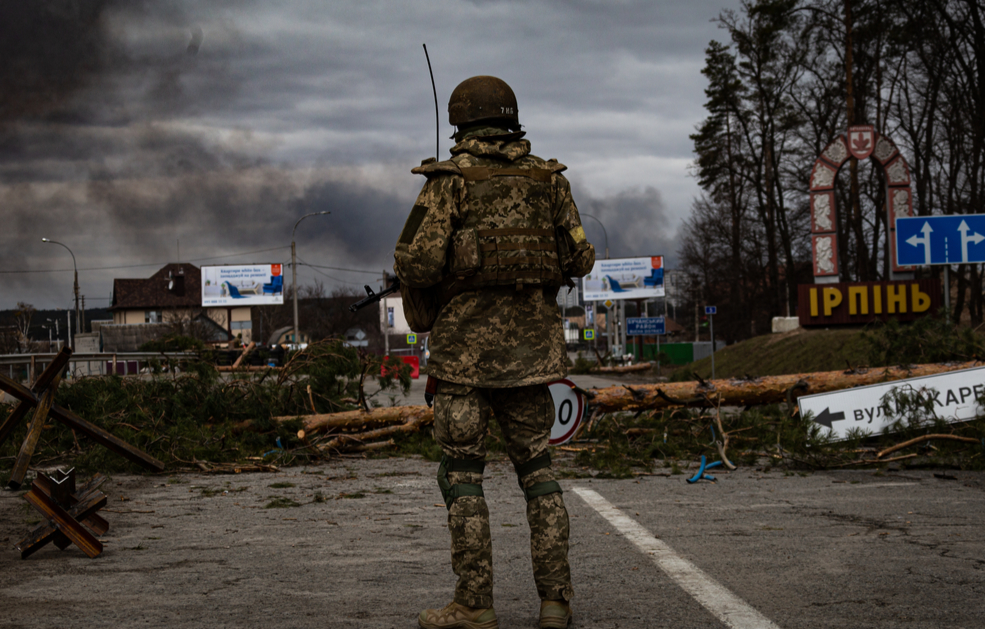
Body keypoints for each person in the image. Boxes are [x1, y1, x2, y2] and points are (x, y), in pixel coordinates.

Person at [393, 75, 595, 629]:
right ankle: (555, 603)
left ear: (461, 122)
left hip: (463, 359)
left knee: (462, 475)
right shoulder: (550, 181)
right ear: (511, 119)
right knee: (539, 473)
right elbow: (580, 260)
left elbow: (415, 262)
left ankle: (475, 605)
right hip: (533, 356)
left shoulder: (448, 182)